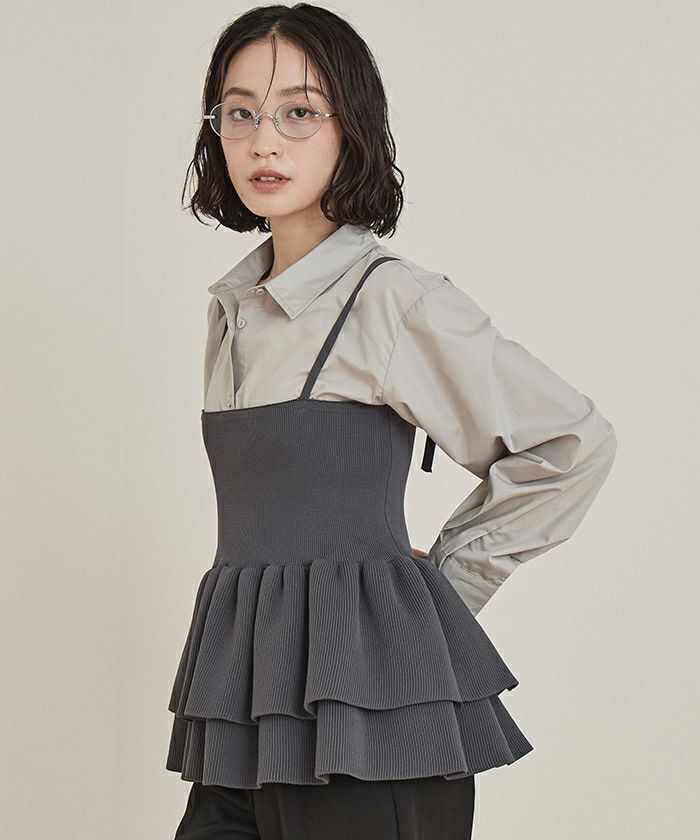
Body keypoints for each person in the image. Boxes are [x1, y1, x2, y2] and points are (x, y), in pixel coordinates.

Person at [166, 4, 618, 839]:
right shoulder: (232, 309)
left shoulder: (391, 299)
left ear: (352, 128)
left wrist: (446, 583)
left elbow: (570, 442)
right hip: (244, 706)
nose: (264, 142)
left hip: (373, 718)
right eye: (240, 113)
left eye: (299, 112)